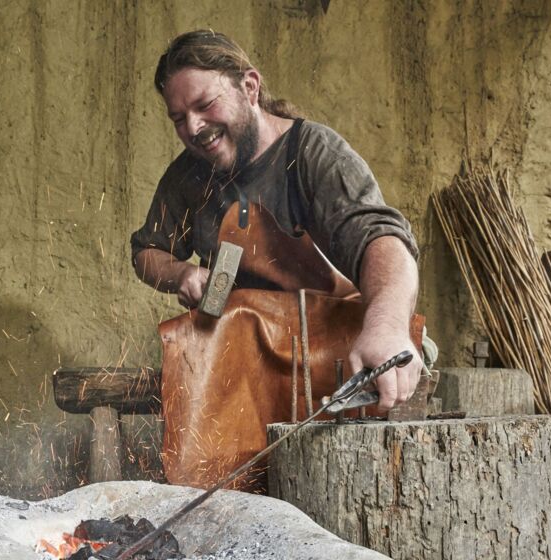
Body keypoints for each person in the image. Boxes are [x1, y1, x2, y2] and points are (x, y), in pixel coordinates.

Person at [130, 30, 423, 412]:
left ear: (249, 87)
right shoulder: (187, 177)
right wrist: (181, 274)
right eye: (178, 118)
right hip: (241, 379)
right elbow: (148, 251)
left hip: (330, 371)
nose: (194, 127)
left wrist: (386, 326)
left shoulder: (313, 153)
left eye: (205, 104)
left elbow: (383, 242)